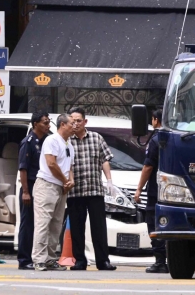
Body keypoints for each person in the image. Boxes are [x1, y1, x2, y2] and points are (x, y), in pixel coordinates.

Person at [67, 107, 117, 271]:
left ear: (85, 121)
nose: (75, 124)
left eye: (78, 120)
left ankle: (103, 261)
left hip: (95, 190)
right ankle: (80, 260)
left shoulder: (96, 138)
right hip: (75, 191)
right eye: (72, 121)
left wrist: (109, 180)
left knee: (99, 227)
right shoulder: (67, 141)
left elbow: (104, 160)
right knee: (76, 228)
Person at [32, 113, 75, 272]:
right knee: (43, 222)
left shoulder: (69, 145)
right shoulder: (52, 140)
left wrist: (70, 181)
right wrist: (66, 181)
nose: (74, 126)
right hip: (47, 185)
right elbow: (51, 164)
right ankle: (39, 259)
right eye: (71, 123)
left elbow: (70, 167)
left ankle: (50, 259)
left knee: (56, 224)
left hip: (61, 187)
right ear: (62, 124)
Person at [134, 110, 167, 273]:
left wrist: (139, 189)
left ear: (155, 120)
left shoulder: (155, 140)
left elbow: (148, 167)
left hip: (155, 190)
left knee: (153, 224)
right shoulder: (172, 137)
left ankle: (160, 261)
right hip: (173, 190)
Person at [17, 111, 50, 270]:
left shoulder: (44, 141)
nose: (48, 125)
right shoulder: (28, 141)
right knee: (27, 223)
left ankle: (34, 256)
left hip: (39, 186)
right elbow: (23, 168)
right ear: (35, 123)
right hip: (29, 186)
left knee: (38, 223)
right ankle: (24, 260)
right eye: (45, 122)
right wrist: (25, 192)